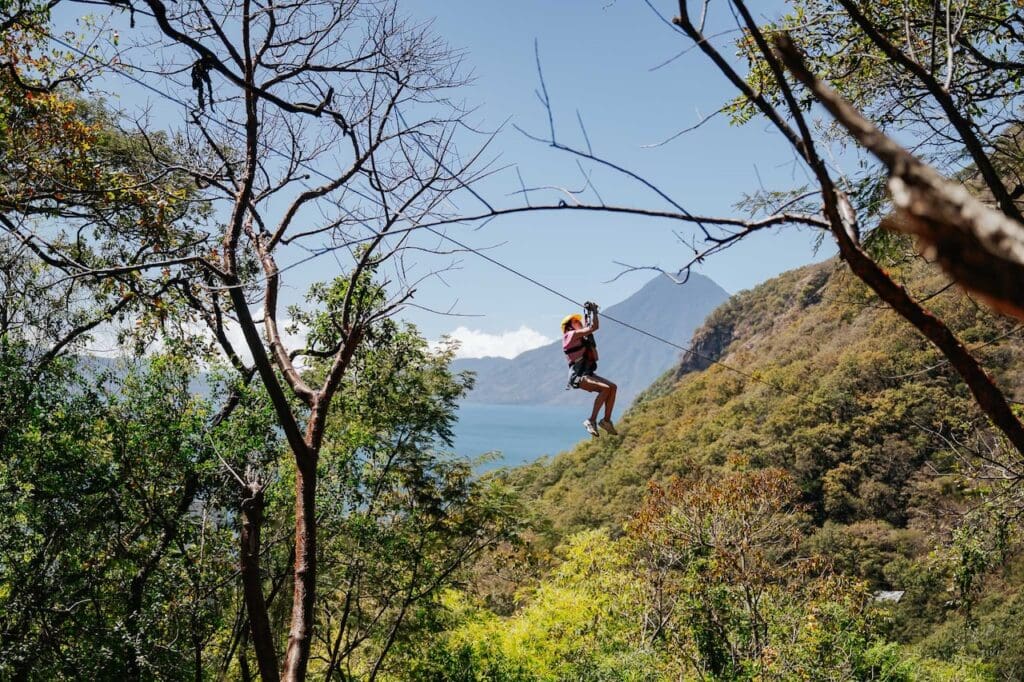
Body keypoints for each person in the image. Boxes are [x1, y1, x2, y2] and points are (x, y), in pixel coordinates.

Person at [561, 301, 618, 438]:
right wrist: (594, 312)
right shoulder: (570, 335)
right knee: (605, 388)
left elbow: (588, 328)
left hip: (587, 373)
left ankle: (606, 421)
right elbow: (593, 327)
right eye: (575, 321)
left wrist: (589, 314)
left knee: (612, 387)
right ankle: (591, 420)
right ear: (569, 326)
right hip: (579, 376)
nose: (578, 322)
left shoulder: (580, 337)